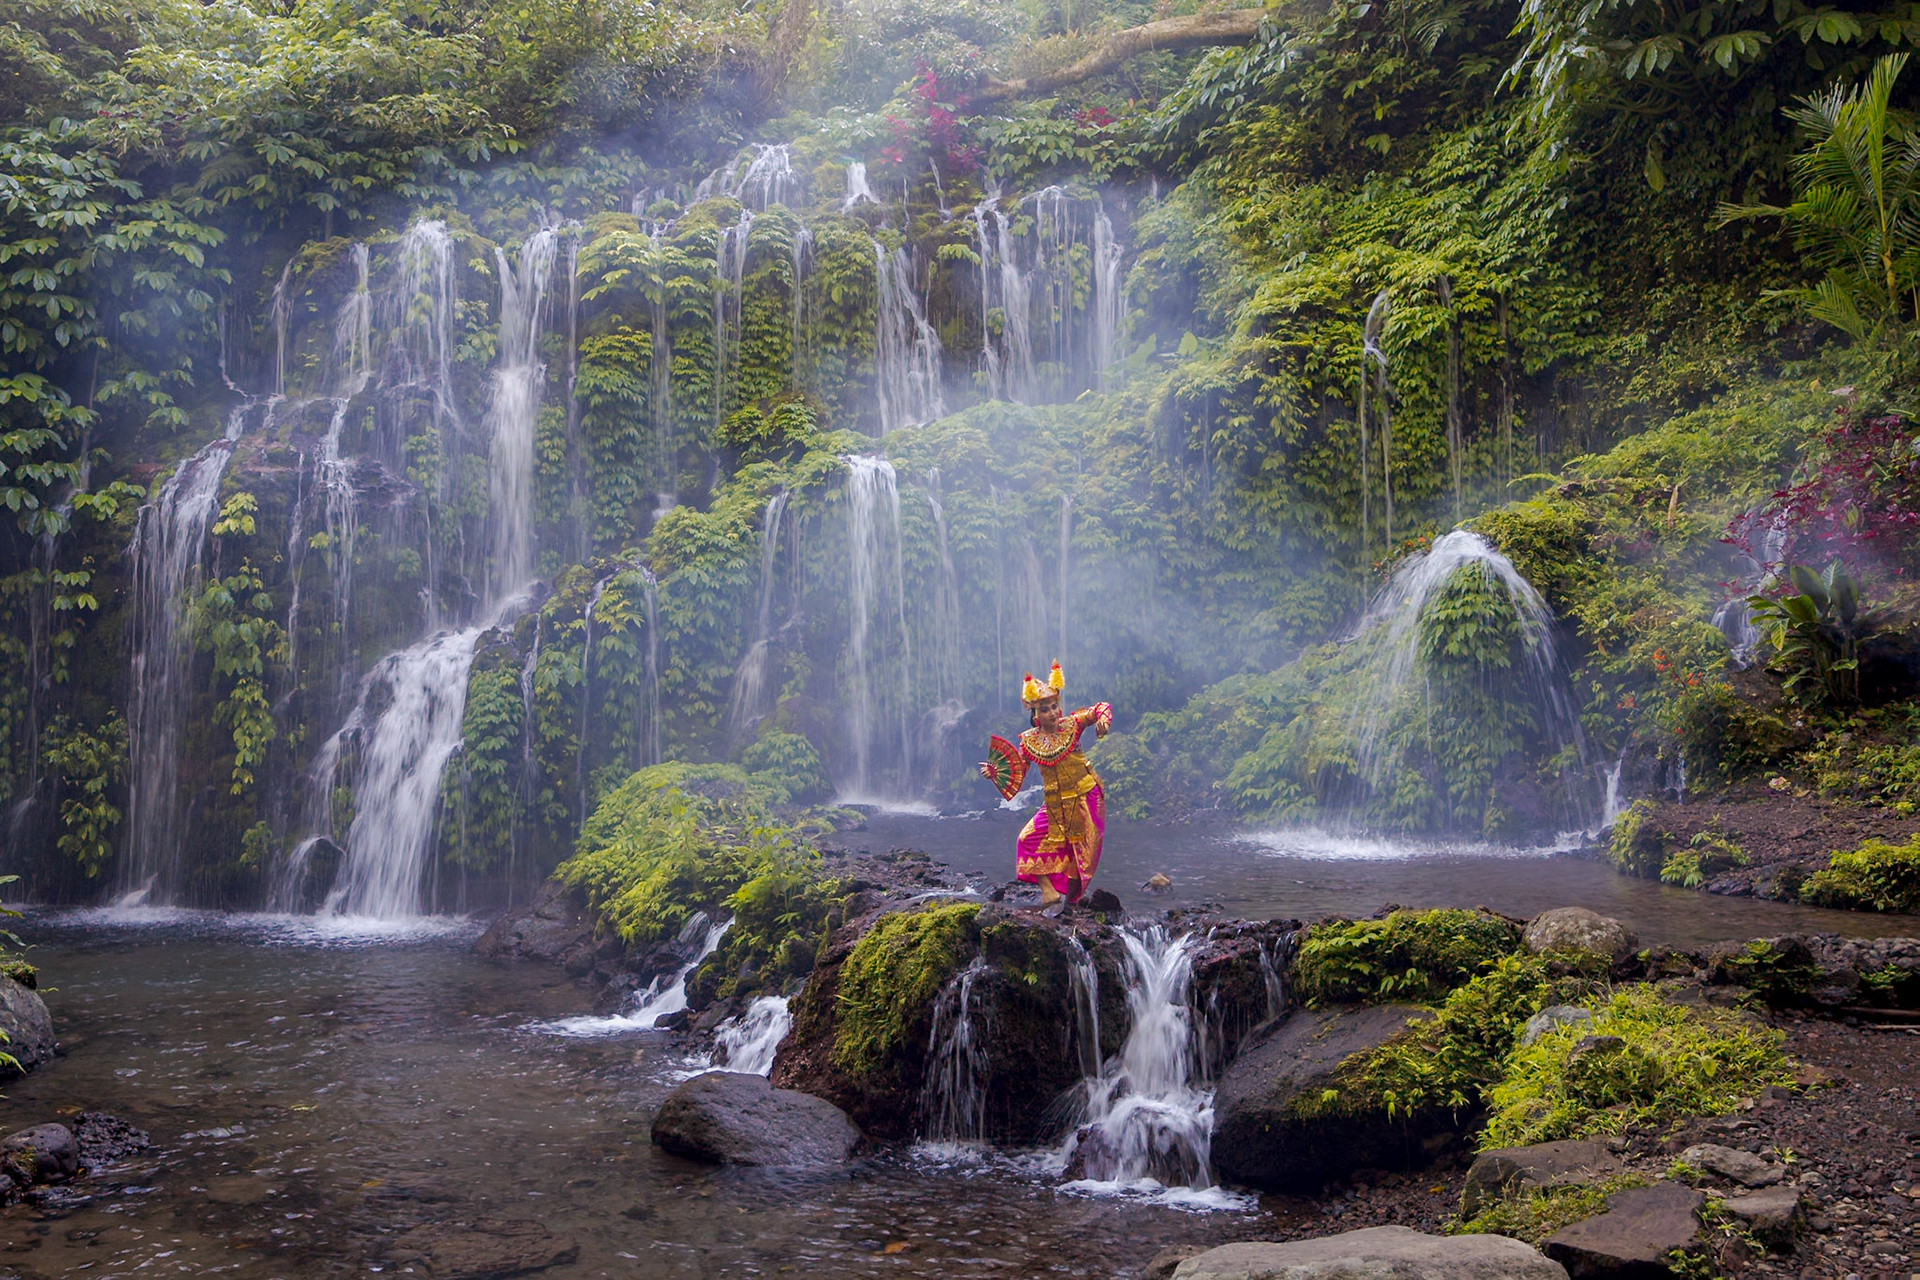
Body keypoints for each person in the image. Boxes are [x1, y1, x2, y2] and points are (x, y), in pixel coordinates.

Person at [977, 662, 1113, 916]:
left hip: (1086, 795)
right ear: (1035, 713)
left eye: (1054, 706)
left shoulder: (1073, 724)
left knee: (1082, 855)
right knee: (1026, 839)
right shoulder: (1029, 741)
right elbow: (1017, 770)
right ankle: (1048, 890)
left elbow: (1100, 707)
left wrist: (1103, 721)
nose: (1052, 712)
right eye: (1045, 709)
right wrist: (994, 773)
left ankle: (1071, 906)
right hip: (1054, 803)